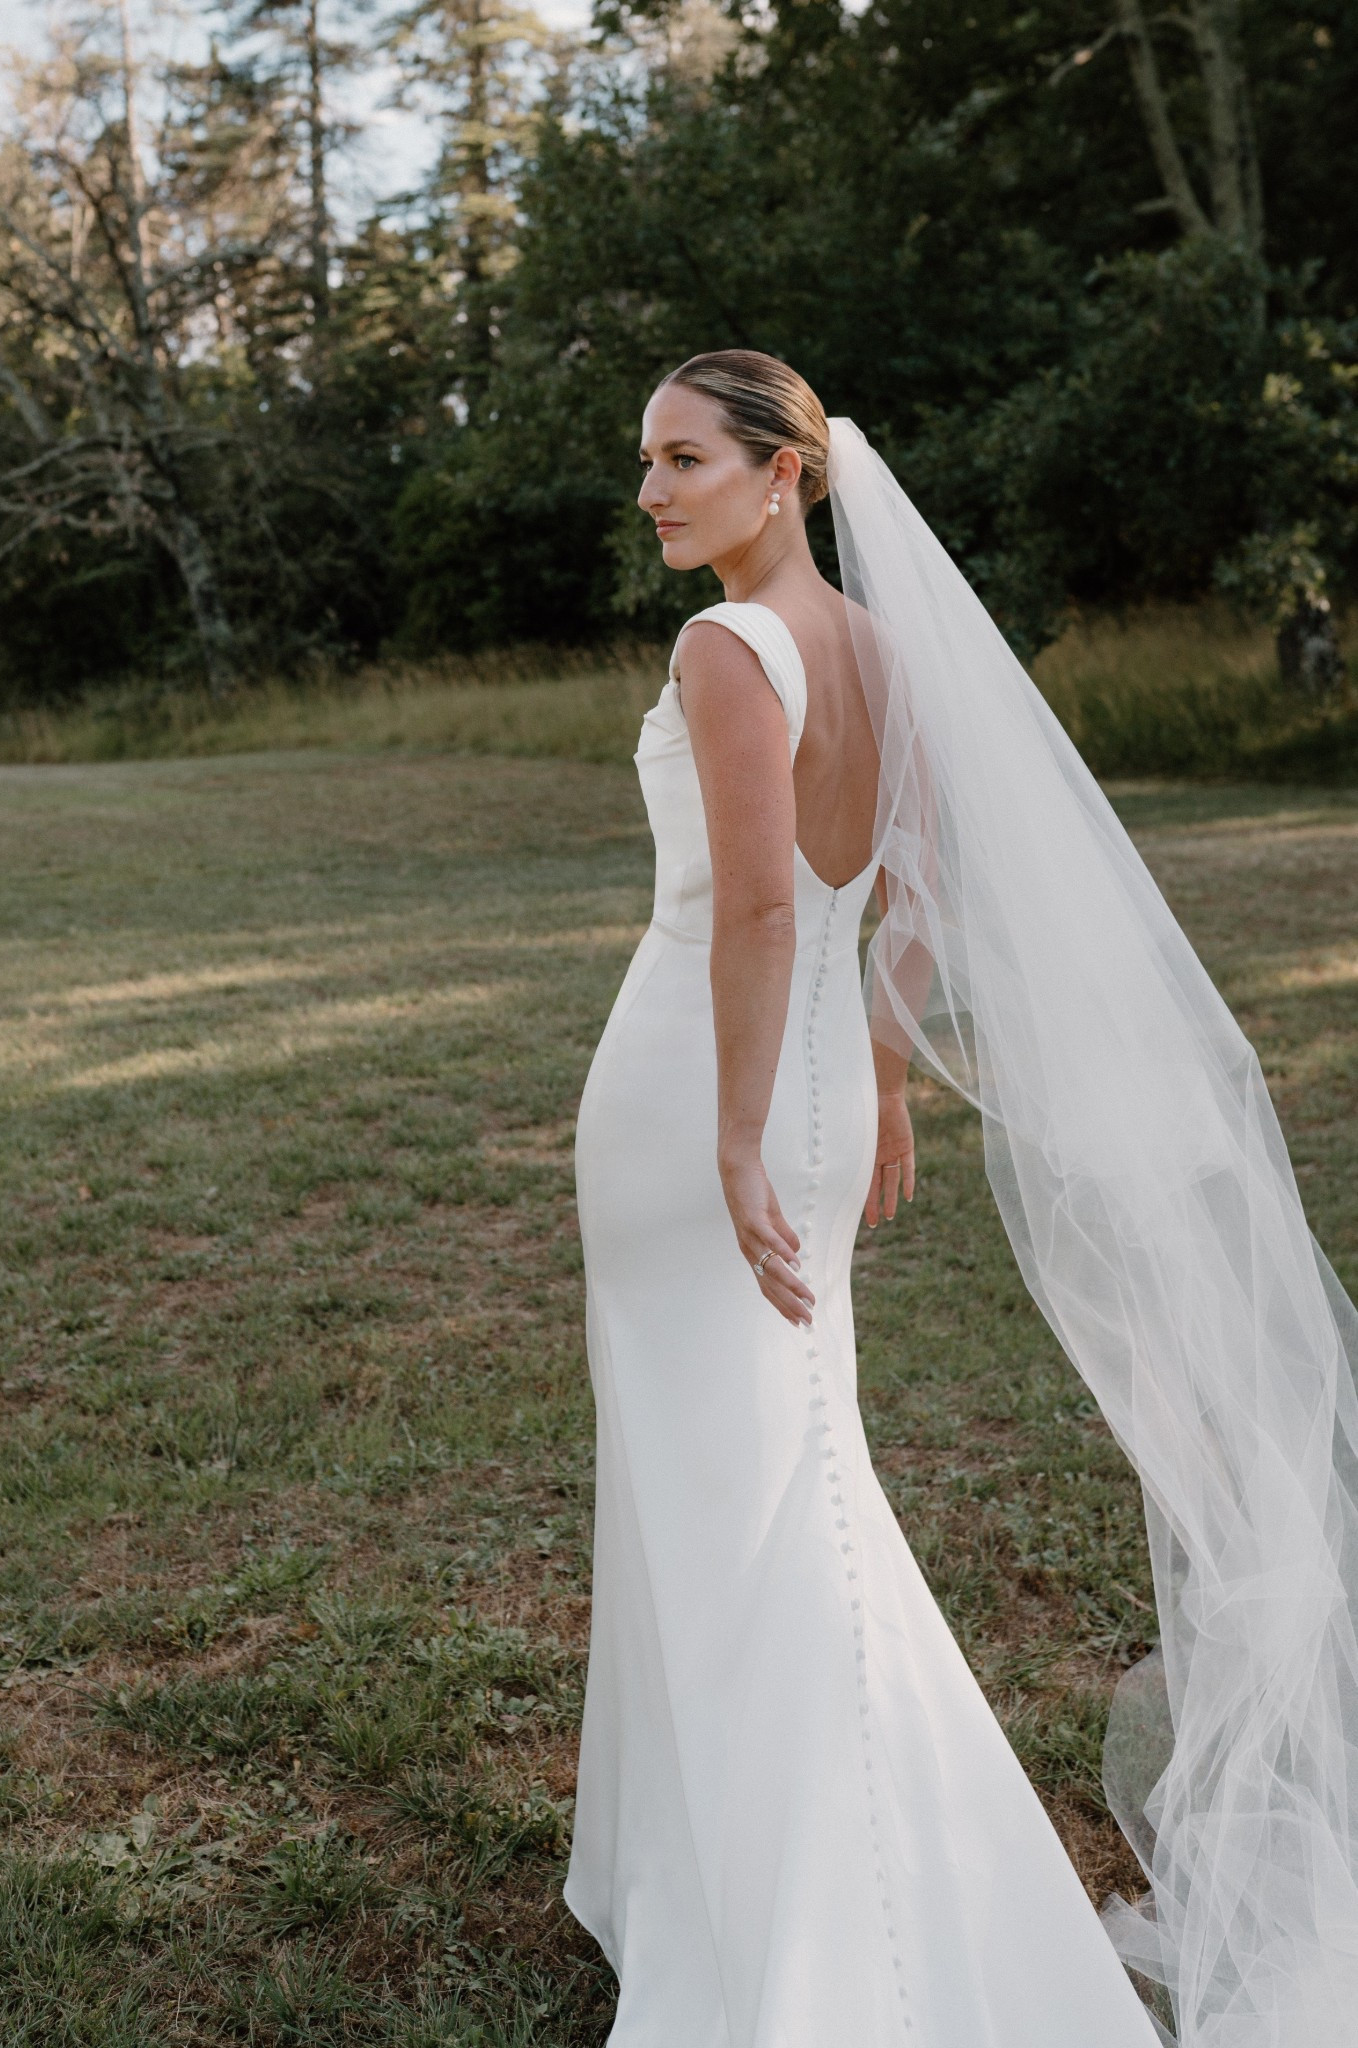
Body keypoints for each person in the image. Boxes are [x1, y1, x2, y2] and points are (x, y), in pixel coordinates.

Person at [564, 351, 1358, 2047]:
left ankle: (785, 1905)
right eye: (647, 461)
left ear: (781, 473)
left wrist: (733, 1137)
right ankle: (718, 1856)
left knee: (724, 1481)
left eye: (684, 459)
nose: (651, 492)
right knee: (782, 1471)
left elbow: (756, 911)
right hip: (815, 1089)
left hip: (706, 1095)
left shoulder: (727, 646)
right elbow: (913, 875)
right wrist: (877, 1072)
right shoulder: (882, 648)